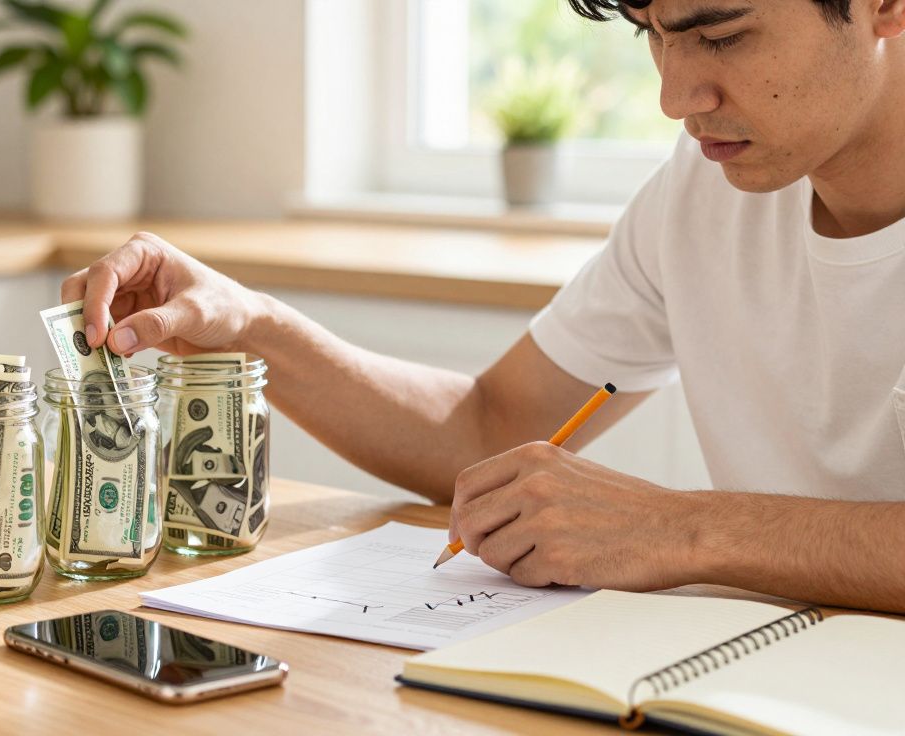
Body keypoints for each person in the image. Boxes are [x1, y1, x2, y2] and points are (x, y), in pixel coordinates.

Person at [62, 0, 905, 614]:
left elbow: (678, 530)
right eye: (654, 32)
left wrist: (682, 531)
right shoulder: (703, 192)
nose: (676, 96)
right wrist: (248, 325)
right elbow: (490, 426)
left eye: (721, 34)